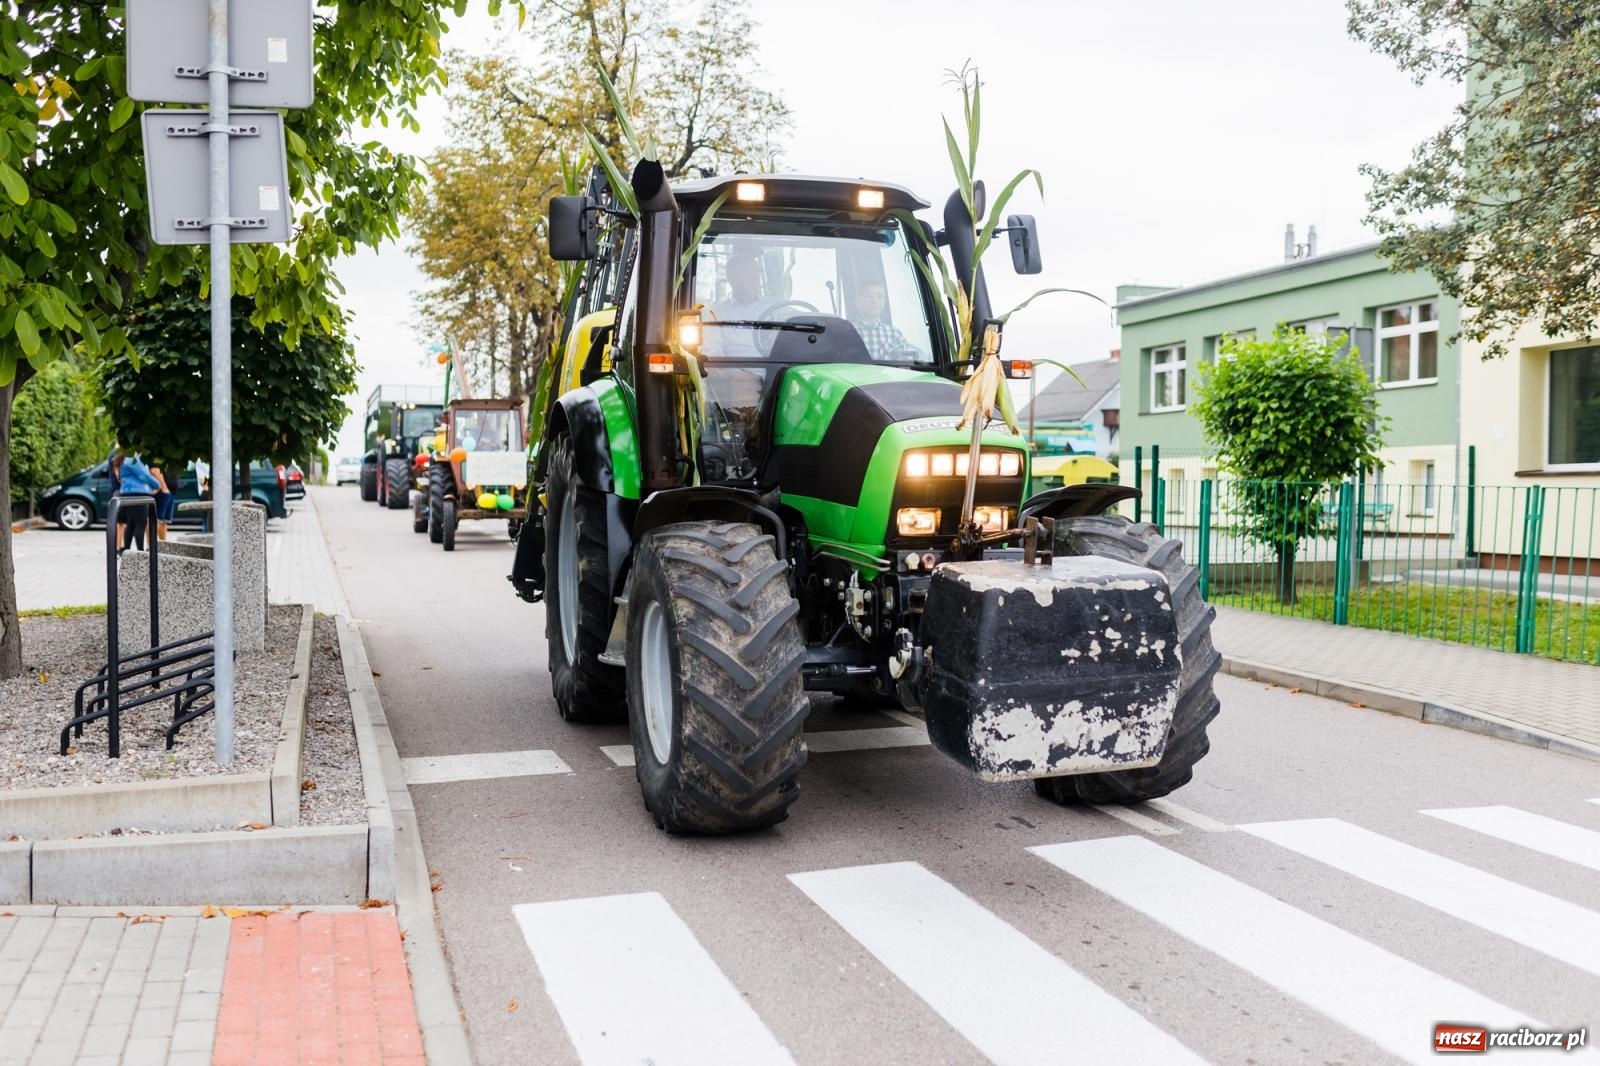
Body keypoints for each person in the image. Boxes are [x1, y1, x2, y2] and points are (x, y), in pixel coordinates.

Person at [705, 251, 769, 358]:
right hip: (736, 371)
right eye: (748, 273)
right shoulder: (717, 314)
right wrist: (733, 373)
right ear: (732, 278)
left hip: (779, 371)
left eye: (757, 273)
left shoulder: (777, 307)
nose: (756, 278)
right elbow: (712, 353)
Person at [851, 280, 918, 361]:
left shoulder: (894, 334)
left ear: (884, 303)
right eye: (868, 296)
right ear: (857, 301)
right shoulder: (848, 332)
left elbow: (906, 365)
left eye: (879, 296)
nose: (874, 301)